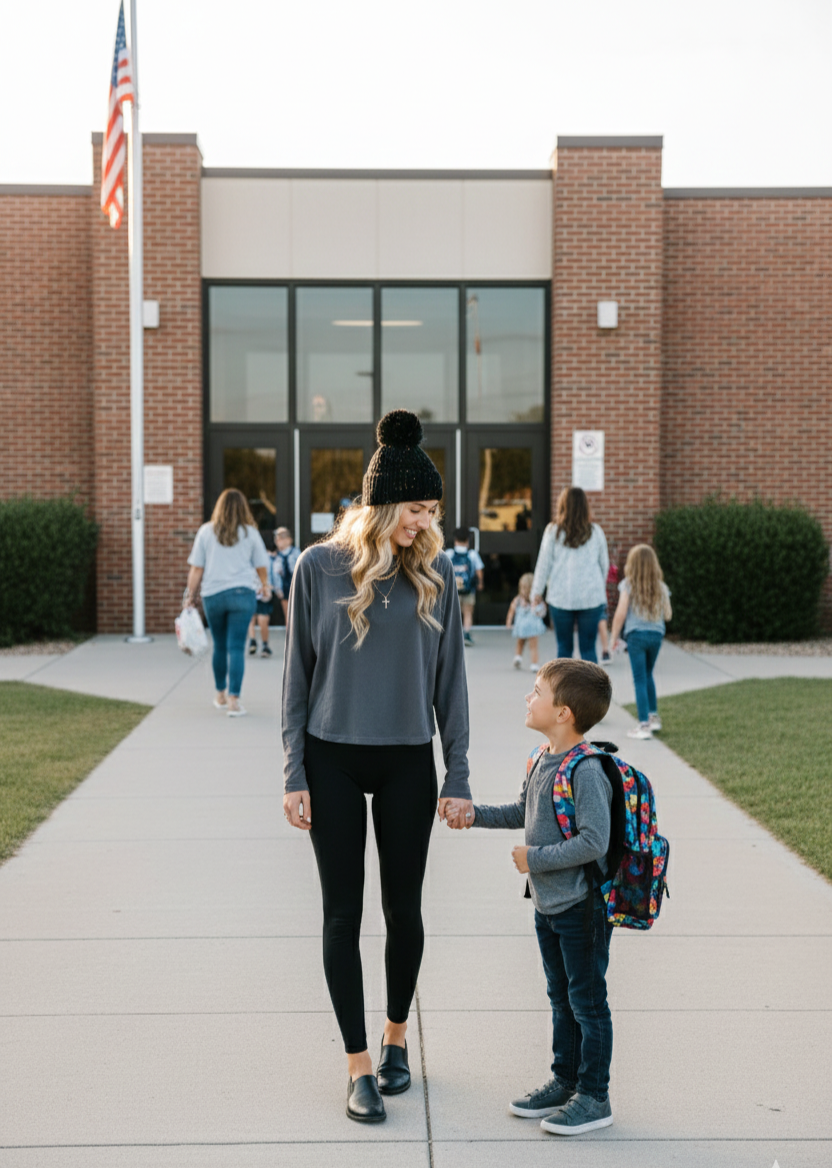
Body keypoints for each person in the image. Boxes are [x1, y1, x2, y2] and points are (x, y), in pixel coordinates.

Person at [281, 409, 473, 1125]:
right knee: (341, 914)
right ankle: (358, 1064)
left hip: (405, 762)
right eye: (414, 510)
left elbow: (450, 679)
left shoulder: (437, 574)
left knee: (404, 912)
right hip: (330, 758)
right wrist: (293, 771)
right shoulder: (317, 567)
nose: (423, 524)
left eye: (431, 511)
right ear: (381, 503)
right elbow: (296, 679)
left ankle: (396, 1039)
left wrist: (457, 774)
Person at [447, 658, 615, 1136]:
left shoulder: (586, 771)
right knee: (561, 999)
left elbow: (593, 842)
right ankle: (564, 1082)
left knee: (587, 1002)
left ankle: (594, 1096)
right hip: (548, 906)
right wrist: (472, 814)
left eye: (537, 690)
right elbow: (523, 810)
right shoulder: (541, 758)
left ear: (563, 712)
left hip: (581, 909)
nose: (528, 697)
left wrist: (534, 858)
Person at [186, 488, 270, 717]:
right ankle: (234, 701)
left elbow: (196, 568)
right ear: (243, 507)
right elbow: (262, 564)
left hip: (213, 595)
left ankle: (220, 695)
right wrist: (265, 584)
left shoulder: (205, 532)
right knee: (236, 648)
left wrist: (189, 596)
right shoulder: (250, 533)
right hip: (243, 594)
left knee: (220, 646)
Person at [532, 487, 609, 664]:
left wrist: (536, 593)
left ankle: (565, 693)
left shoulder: (553, 532)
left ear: (563, 505)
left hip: (560, 597)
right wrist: (597, 586)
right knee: (589, 649)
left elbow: (543, 565)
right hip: (591, 597)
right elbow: (604, 566)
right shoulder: (596, 532)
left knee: (564, 650)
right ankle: (592, 692)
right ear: (585, 507)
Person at [610, 544, 672, 740]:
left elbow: (620, 613)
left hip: (636, 635)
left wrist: (613, 638)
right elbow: (668, 615)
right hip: (656, 635)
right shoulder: (661, 587)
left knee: (639, 678)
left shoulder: (628, 585)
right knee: (647, 674)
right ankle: (653, 717)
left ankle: (643, 725)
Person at [445, 526, 484, 646]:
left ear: (455, 539)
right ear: (468, 540)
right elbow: (479, 571)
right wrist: (480, 583)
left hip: (452, 589)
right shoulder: (472, 555)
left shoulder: (449, 554)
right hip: (468, 590)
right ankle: (466, 633)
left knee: (452, 613)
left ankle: (452, 636)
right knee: (467, 612)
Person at [506, 572, 547, 671]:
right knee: (533, 646)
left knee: (520, 642)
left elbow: (512, 610)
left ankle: (518, 657)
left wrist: (509, 621)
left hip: (521, 625)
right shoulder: (536, 600)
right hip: (533, 626)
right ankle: (534, 664)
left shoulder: (518, 599)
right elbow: (542, 611)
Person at [272, 526, 301, 621]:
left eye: (281, 538)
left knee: (297, 610)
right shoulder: (276, 556)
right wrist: (277, 589)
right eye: (277, 538)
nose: (278, 541)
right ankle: (289, 632)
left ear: (289, 540)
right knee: (287, 611)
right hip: (283, 585)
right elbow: (275, 574)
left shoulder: (296, 552)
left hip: (295, 584)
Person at [247, 564, 274, 658]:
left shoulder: (265, 560)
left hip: (260, 594)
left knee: (257, 619)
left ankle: (259, 643)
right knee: (255, 619)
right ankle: (258, 643)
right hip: (256, 593)